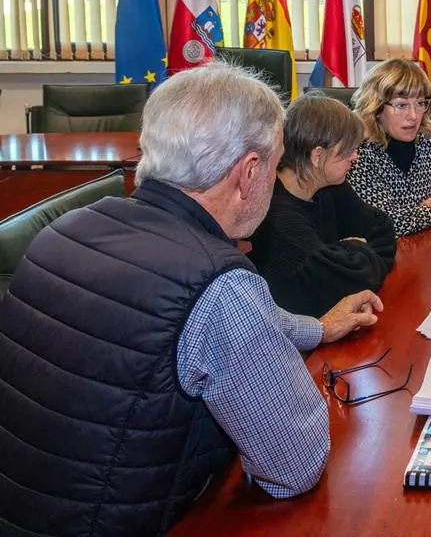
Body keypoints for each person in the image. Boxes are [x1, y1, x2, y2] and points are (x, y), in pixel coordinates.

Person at [0, 63, 383, 537]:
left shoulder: (67, 228)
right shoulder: (217, 284)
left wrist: (319, 327)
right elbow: (294, 465)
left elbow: (214, 323)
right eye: (276, 161)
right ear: (248, 173)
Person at [249, 93, 396, 317]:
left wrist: (340, 254)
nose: (355, 157)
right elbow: (346, 284)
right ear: (317, 156)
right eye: (348, 150)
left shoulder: (330, 186)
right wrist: (353, 248)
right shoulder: (277, 216)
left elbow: (383, 230)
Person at [347, 57, 431, 237]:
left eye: (420, 103)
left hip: (416, 243)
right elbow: (387, 223)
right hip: (369, 252)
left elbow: (424, 200)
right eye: (401, 105)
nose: (413, 116)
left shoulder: (428, 139)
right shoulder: (357, 151)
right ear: (376, 108)